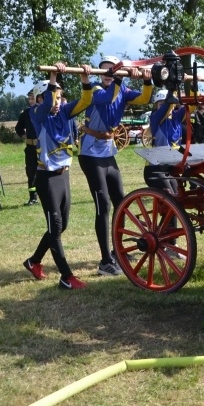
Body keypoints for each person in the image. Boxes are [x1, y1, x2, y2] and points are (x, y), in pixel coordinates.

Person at [78, 56, 153, 277]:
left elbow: (145, 98)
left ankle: (117, 251)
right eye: (106, 71)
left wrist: (147, 80)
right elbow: (108, 97)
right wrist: (119, 77)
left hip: (108, 152)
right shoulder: (94, 89)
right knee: (103, 205)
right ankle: (105, 262)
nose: (110, 74)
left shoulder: (123, 90)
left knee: (121, 202)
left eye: (114, 70)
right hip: (90, 153)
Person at [23, 62, 94, 290]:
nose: (57, 100)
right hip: (47, 179)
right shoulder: (37, 115)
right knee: (55, 227)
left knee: (61, 226)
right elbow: (47, 105)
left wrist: (85, 79)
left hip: (64, 176)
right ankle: (66, 276)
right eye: (53, 96)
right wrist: (52, 77)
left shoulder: (64, 112)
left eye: (60, 96)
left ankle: (33, 261)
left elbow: (85, 101)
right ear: (40, 99)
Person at [14, 89, 39, 205]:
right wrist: (24, 136)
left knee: (45, 171)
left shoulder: (43, 111)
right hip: (30, 147)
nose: (30, 101)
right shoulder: (26, 113)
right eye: (29, 99)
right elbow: (18, 127)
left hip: (42, 147)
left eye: (32, 98)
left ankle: (46, 194)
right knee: (31, 171)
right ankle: (33, 197)